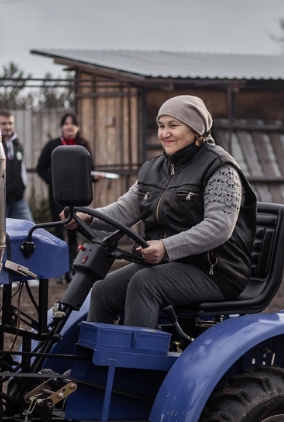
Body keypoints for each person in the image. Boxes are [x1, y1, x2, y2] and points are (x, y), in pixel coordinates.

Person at [69, 96, 257, 329]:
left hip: (214, 271)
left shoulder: (220, 167)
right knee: (102, 290)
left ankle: (132, 362)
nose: (164, 133)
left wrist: (167, 248)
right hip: (167, 265)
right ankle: (94, 364)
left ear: (196, 129)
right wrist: (89, 216)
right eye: (161, 126)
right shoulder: (154, 169)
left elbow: (219, 227)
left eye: (173, 125)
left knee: (144, 283)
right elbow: (124, 210)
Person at [37, 112, 93, 264]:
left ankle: (74, 264)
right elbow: (40, 168)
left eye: (73, 124)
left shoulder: (83, 145)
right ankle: (60, 265)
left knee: (75, 229)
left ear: (78, 127)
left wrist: (94, 177)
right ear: (62, 127)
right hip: (58, 195)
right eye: (66, 123)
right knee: (59, 229)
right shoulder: (52, 145)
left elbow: (89, 170)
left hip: (78, 196)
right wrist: (54, 182)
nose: (69, 127)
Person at [0, 110, 34, 222]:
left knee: (30, 230)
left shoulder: (17, 145)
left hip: (18, 200)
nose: (8, 127)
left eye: (10, 123)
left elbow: (22, 168)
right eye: (4, 123)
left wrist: (23, 185)